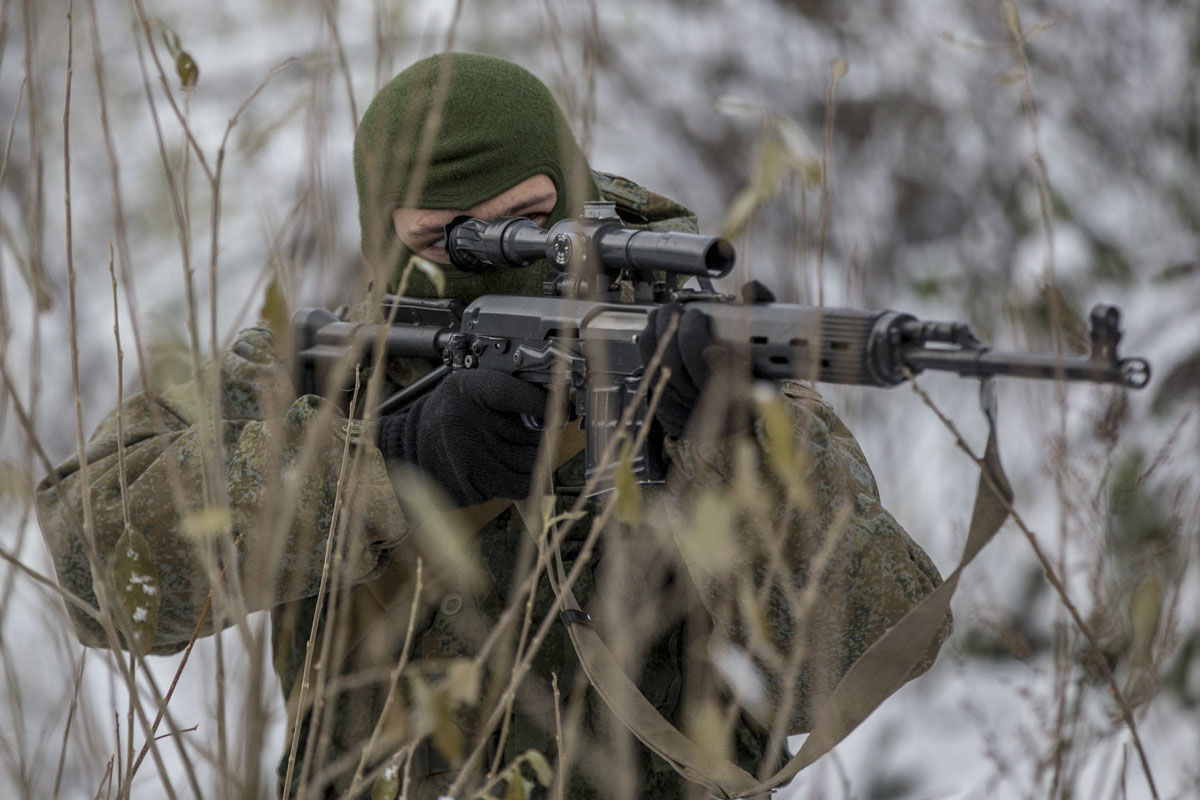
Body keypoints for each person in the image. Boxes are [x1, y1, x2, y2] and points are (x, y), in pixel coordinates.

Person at [36, 53, 950, 799]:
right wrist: (394, 463)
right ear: (384, 237)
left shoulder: (687, 353)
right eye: (447, 243)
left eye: (530, 221)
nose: (496, 257)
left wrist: (728, 442)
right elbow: (95, 576)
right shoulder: (316, 369)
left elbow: (869, 658)